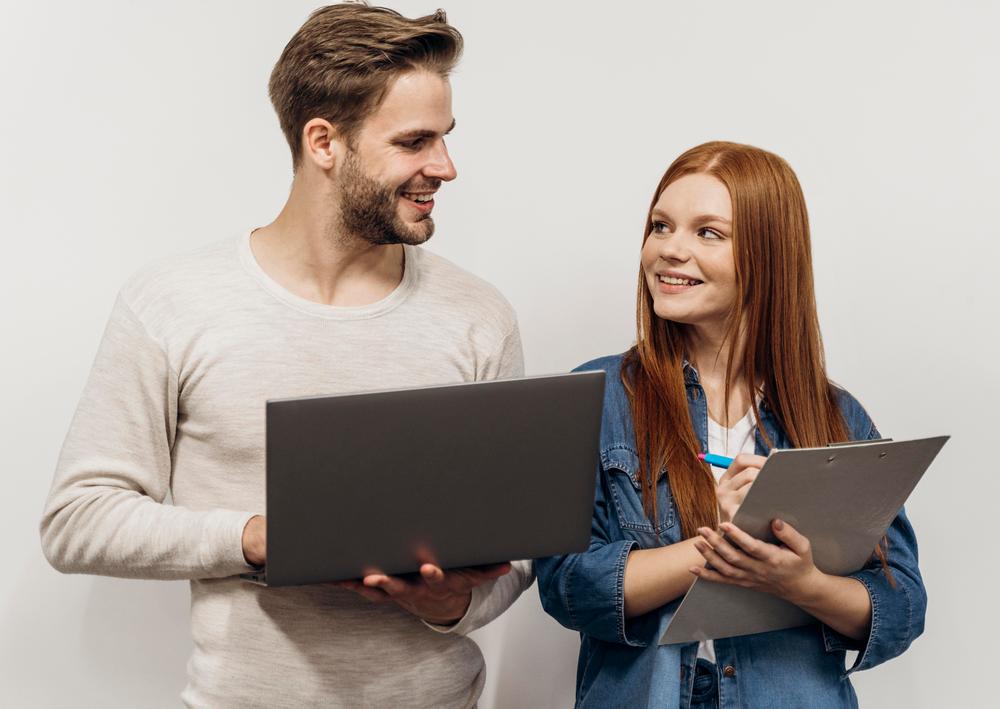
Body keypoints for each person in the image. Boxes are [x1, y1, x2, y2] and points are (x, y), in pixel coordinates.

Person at [40, 4, 531, 707]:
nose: (445, 167)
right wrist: (258, 537)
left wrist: (452, 601)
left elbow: (513, 559)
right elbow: (78, 519)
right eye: (415, 141)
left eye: (445, 138)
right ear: (324, 142)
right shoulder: (173, 302)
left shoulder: (478, 316)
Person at [535, 141, 926, 708]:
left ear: (769, 256)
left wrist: (803, 584)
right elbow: (567, 587)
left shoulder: (837, 418)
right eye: (660, 226)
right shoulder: (599, 397)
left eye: (708, 233)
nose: (670, 250)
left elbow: (901, 606)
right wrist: (713, 545)